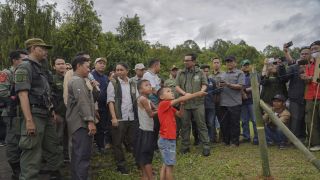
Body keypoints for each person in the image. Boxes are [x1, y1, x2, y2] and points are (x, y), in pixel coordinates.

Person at [14, 38, 63, 179]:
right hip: (34, 114)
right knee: (32, 151)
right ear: (34, 48)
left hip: (45, 114)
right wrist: (29, 120)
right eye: (43, 48)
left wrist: (51, 110)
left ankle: (55, 174)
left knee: (53, 147)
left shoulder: (41, 68)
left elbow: (46, 92)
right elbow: (23, 95)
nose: (45, 51)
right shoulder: (24, 67)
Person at [157, 87, 206, 180]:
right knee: (169, 167)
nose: (171, 93)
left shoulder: (169, 107)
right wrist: (196, 94)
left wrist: (182, 105)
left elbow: (180, 114)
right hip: (167, 140)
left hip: (167, 139)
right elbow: (180, 98)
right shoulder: (163, 104)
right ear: (161, 97)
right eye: (168, 91)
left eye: (171, 91)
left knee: (166, 164)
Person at [66, 55, 97, 180]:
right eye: (87, 67)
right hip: (80, 124)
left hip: (78, 123)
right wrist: (90, 121)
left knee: (78, 156)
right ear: (78, 66)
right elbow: (82, 102)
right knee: (82, 156)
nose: (89, 70)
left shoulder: (79, 80)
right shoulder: (77, 81)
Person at [175, 53, 210, 156]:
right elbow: (176, 86)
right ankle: (185, 147)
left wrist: (201, 91)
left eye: (187, 60)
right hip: (185, 104)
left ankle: (206, 146)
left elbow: (204, 84)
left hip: (198, 103)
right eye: (184, 60)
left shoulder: (200, 72)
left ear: (193, 62)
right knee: (185, 126)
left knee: (201, 125)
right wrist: (185, 94)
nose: (185, 62)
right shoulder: (180, 73)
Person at [0, 50, 27, 179]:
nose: (26, 61)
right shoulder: (7, 73)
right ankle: (15, 170)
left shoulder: (27, 72)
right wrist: (17, 97)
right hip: (11, 113)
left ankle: (24, 168)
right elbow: (2, 92)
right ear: (15, 60)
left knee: (25, 141)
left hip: (25, 113)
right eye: (23, 59)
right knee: (13, 142)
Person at [107, 62, 138, 174]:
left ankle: (139, 163)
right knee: (117, 143)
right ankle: (121, 166)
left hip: (131, 117)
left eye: (121, 70)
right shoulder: (113, 83)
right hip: (119, 118)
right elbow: (110, 101)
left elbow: (136, 99)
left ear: (127, 71)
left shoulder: (132, 83)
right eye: (117, 70)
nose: (119, 72)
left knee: (133, 141)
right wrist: (114, 118)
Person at [278, 46, 310, 142]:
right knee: (296, 119)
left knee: (308, 120)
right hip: (295, 98)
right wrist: (281, 66)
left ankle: (307, 138)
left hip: (311, 98)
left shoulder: (314, 66)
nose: (304, 55)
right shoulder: (293, 67)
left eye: (306, 53)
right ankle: (295, 140)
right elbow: (284, 78)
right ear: (299, 55)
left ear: (310, 55)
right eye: (302, 54)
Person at [219, 56, 245, 146]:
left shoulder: (240, 73)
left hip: (235, 103)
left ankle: (235, 142)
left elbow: (241, 86)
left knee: (235, 123)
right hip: (223, 103)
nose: (228, 63)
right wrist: (219, 86)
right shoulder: (222, 74)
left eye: (230, 61)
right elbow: (220, 86)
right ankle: (226, 141)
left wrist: (228, 84)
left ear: (235, 63)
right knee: (225, 123)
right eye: (227, 62)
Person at [135, 79, 157, 180]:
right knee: (146, 156)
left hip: (144, 129)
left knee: (142, 154)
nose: (150, 86)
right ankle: (150, 177)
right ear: (140, 90)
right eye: (146, 85)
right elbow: (151, 114)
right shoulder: (143, 99)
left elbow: (154, 108)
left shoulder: (147, 99)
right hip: (146, 131)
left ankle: (144, 177)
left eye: (149, 84)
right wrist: (162, 109)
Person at [302, 40, 320, 151]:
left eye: (316, 49)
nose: (314, 51)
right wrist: (306, 78)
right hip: (310, 96)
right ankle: (315, 143)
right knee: (311, 121)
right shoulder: (309, 65)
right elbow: (308, 80)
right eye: (312, 49)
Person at [91, 57, 110, 153]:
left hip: (104, 106)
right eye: (100, 63)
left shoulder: (106, 77)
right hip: (94, 106)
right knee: (95, 126)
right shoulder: (91, 75)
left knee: (102, 127)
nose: (102, 65)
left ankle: (101, 146)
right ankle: (97, 147)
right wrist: (95, 108)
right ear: (95, 64)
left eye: (104, 63)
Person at [51, 57, 68, 161]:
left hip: (70, 113)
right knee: (57, 137)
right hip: (59, 113)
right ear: (54, 66)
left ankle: (66, 156)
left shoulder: (70, 78)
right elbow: (50, 97)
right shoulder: (52, 79)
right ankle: (55, 159)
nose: (61, 65)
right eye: (58, 64)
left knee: (69, 136)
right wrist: (53, 112)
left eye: (63, 63)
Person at [200, 64, 220, 143]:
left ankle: (212, 139)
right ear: (201, 72)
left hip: (211, 106)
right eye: (204, 71)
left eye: (207, 71)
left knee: (211, 123)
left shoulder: (212, 81)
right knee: (202, 124)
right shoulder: (198, 82)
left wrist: (220, 87)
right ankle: (203, 140)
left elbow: (217, 91)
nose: (206, 73)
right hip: (200, 106)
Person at [240, 59, 258, 145]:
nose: (246, 66)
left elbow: (257, 85)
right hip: (242, 101)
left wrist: (246, 90)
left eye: (248, 64)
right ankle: (246, 137)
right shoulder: (239, 75)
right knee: (244, 120)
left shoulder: (254, 74)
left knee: (254, 120)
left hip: (252, 100)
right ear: (241, 67)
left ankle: (257, 137)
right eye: (244, 65)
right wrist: (242, 91)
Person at [209, 57, 224, 142]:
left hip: (221, 100)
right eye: (214, 62)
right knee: (211, 120)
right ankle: (213, 137)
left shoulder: (224, 74)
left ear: (220, 64)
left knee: (221, 119)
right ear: (212, 64)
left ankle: (222, 136)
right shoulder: (209, 76)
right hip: (211, 101)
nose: (216, 64)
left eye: (217, 62)